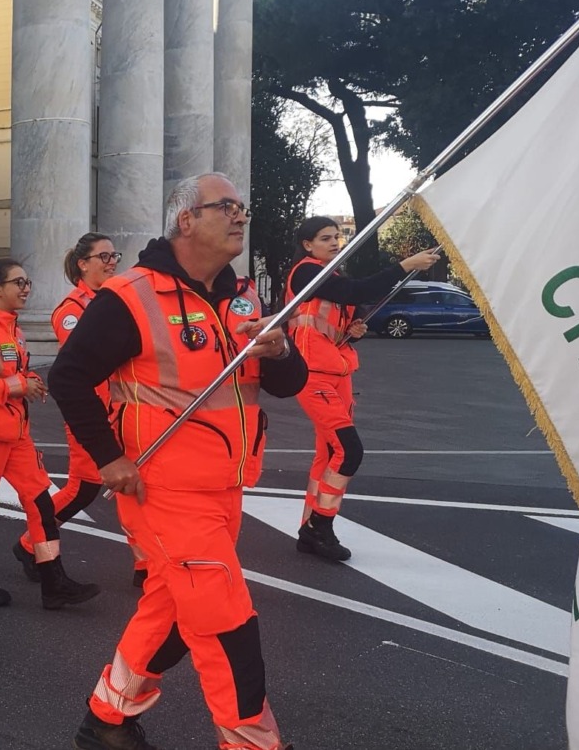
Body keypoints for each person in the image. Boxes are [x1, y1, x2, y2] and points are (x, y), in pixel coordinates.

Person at [50, 174, 307, 750]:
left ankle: (107, 719)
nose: (241, 216)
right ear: (186, 219)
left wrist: (282, 349)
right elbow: (67, 377)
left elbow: (288, 385)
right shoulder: (131, 294)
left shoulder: (243, 296)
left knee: (169, 611)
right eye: (227, 207)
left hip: (227, 486)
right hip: (163, 490)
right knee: (224, 625)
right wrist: (109, 458)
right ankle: (253, 742)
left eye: (244, 206)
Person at [284, 216, 441, 562]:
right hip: (311, 374)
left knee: (329, 454)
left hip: (339, 372)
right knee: (349, 451)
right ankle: (320, 526)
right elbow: (357, 291)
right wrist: (405, 265)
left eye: (337, 236)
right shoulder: (306, 273)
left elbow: (341, 310)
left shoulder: (332, 277)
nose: (335, 242)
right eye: (326, 238)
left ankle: (309, 528)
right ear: (308, 245)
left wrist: (351, 329)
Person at [0, 258, 100, 610]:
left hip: (17, 435)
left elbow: (9, 377)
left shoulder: (13, 330)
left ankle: (54, 581)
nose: (26, 288)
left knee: (41, 503)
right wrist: (20, 384)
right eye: (18, 282)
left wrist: (27, 383)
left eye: (27, 281)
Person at [12, 233, 148, 588]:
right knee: (83, 488)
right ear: (82, 264)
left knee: (133, 484)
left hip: (122, 410)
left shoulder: (114, 301)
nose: (111, 261)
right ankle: (30, 544)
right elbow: (80, 363)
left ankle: (145, 564)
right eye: (102, 256)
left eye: (113, 255)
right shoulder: (72, 310)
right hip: (93, 414)